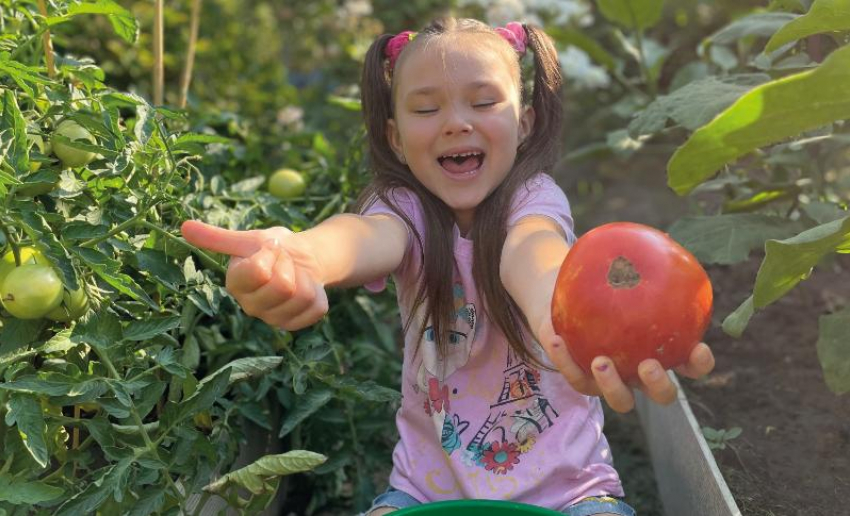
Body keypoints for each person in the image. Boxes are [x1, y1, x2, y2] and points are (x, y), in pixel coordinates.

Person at [181, 17, 716, 516]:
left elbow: (530, 251)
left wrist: (559, 306)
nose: (457, 123)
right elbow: (365, 236)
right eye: (425, 109)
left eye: (483, 102)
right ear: (395, 137)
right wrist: (306, 255)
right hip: (420, 493)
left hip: (570, 494)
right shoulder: (403, 210)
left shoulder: (534, 200)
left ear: (524, 123)